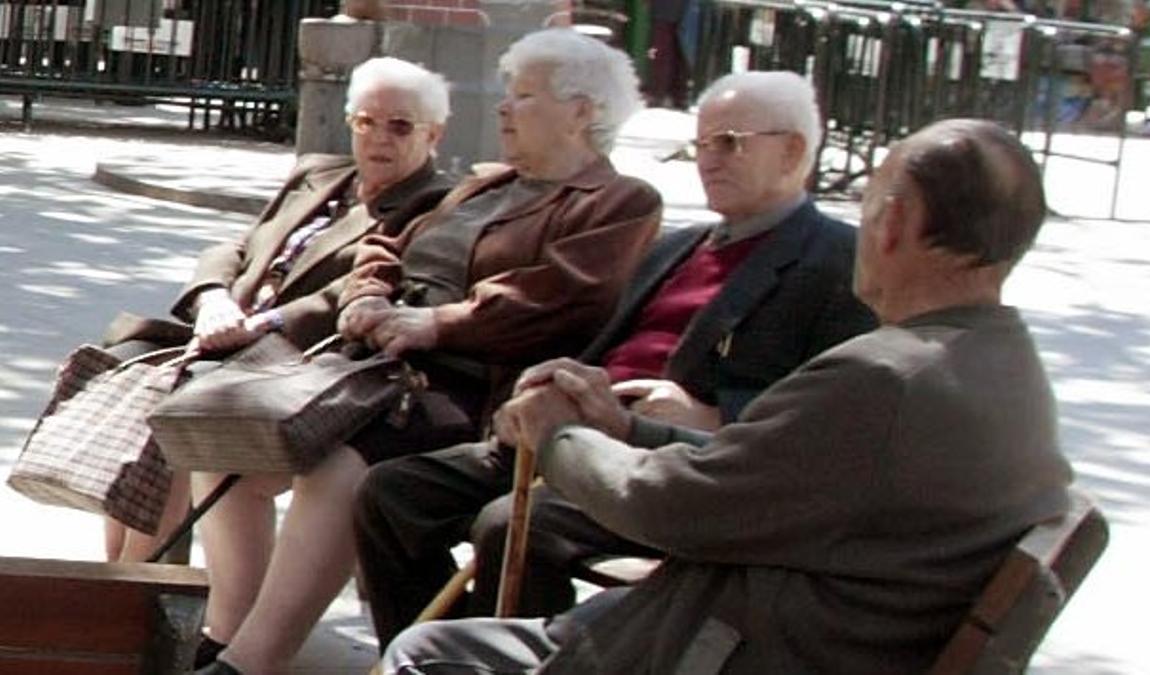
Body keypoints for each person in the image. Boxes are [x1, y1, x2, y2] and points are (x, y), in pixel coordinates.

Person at [377, 117, 1075, 674]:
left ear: (890, 224)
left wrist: (559, 438)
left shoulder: (884, 377)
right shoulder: (1005, 363)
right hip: (800, 632)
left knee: (426, 655)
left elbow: (672, 505)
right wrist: (624, 427)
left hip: (730, 648)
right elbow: (769, 467)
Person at [192, 28, 662, 675]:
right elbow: (386, 241)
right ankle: (227, 628)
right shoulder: (485, 182)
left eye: (523, 96)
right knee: (229, 444)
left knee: (343, 467)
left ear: (583, 112)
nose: (502, 109)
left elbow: (562, 295)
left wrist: (436, 322)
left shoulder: (618, 202)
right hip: (372, 364)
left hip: (468, 388)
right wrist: (367, 295)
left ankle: (252, 660)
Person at [352, 70, 877, 644]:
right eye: (700, 145)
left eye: (729, 143)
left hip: (675, 470)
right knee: (390, 493)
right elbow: (596, 342)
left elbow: (833, 415)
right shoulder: (681, 245)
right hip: (574, 433)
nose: (708, 160)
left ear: (794, 150)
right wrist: (543, 387)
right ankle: (448, 655)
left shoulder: (835, 263)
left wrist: (717, 414)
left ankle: (520, 659)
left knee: (514, 525)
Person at [98, 56, 455, 564]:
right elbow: (237, 247)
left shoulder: (434, 205)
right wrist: (213, 298)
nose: (379, 138)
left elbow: (360, 294)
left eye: (400, 126)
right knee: (127, 366)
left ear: (434, 135)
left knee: (179, 396)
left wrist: (260, 322)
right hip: (224, 331)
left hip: (299, 356)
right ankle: (123, 574)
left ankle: (136, 583)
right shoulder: (318, 173)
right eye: (365, 122)